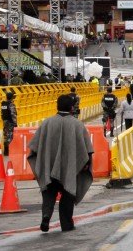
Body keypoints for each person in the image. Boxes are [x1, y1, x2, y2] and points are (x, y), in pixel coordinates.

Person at [28, 95, 95, 233]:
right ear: (72, 108)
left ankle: (46, 216)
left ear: (57, 106)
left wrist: (41, 162)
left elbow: (34, 147)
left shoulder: (47, 123)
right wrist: (86, 164)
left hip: (49, 165)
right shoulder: (77, 125)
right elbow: (86, 149)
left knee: (48, 191)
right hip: (70, 167)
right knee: (68, 193)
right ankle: (66, 224)